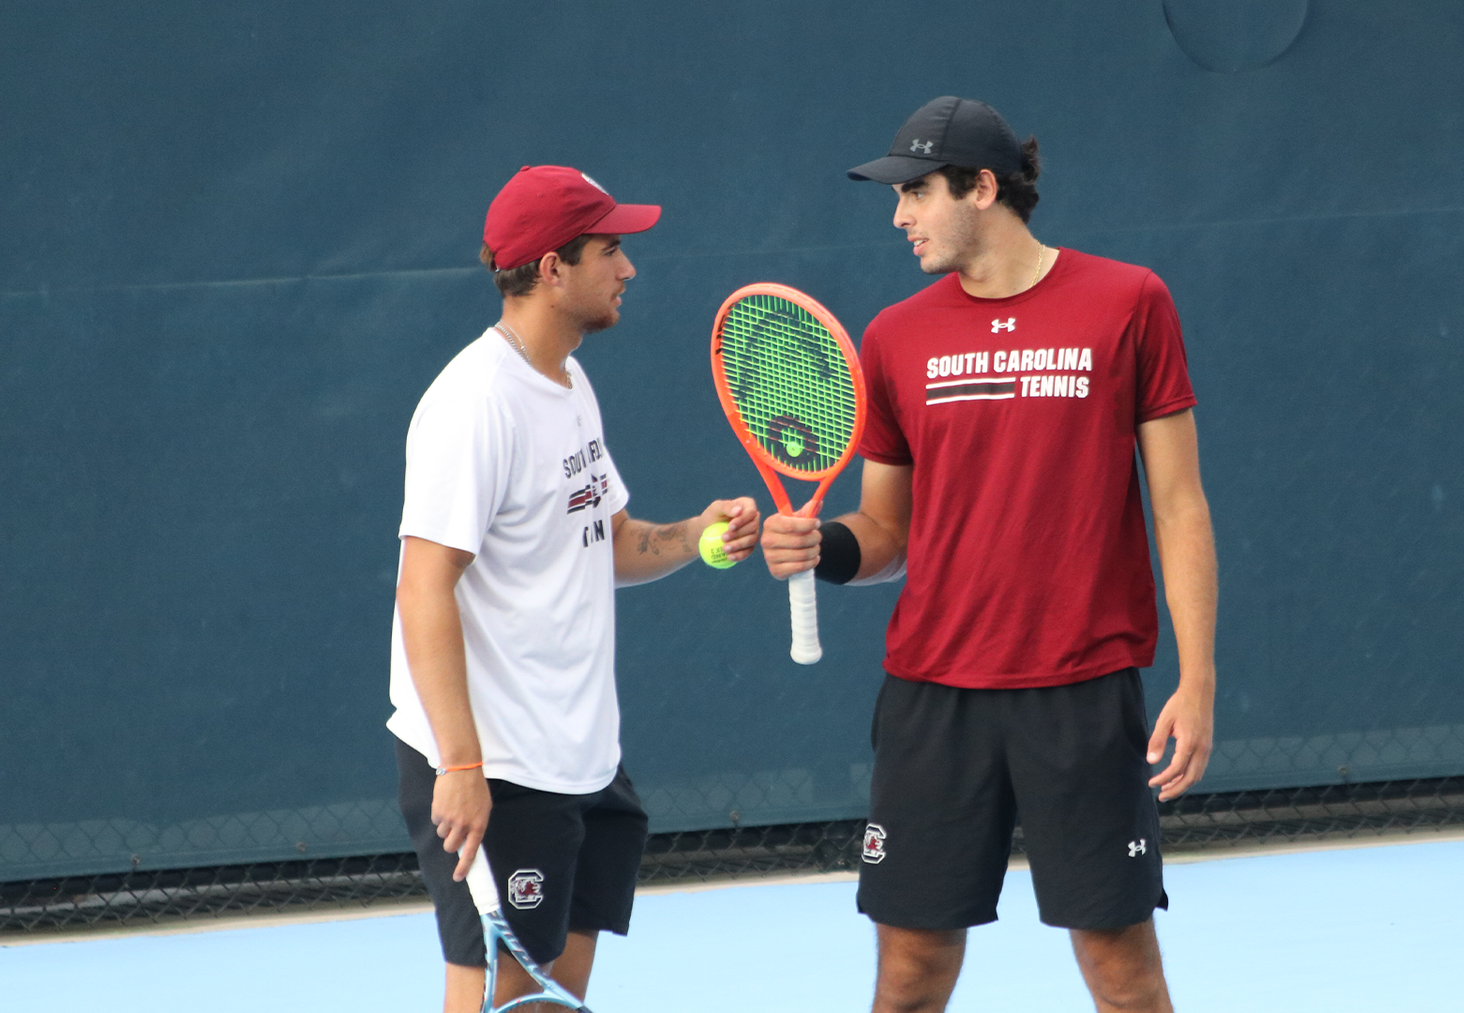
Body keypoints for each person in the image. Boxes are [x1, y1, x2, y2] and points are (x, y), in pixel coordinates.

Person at [761, 97, 1219, 1013]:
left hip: (1083, 692)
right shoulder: (894, 335)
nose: (899, 216)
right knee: (909, 976)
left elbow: (1177, 502)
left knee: (1123, 973)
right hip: (935, 699)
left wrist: (1197, 674)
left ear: (982, 187)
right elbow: (888, 532)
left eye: (917, 193)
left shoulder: (1131, 302)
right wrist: (825, 549)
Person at [388, 165, 761, 1013]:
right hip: (497, 761)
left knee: (555, 994)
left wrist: (699, 537)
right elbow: (422, 587)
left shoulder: (567, 381)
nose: (628, 269)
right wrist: (462, 763)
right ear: (552, 269)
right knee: (497, 997)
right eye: (610, 250)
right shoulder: (474, 404)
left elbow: (614, 541)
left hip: (582, 757)